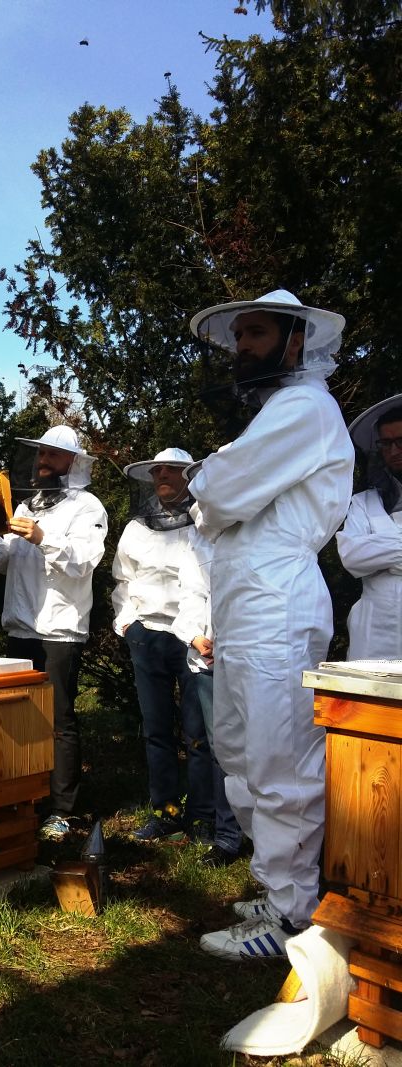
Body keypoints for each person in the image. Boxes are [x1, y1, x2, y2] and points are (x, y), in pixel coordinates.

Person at [188, 289, 354, 959]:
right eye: (240, 335)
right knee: (238, 751)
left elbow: (218, 491)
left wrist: (215, 480)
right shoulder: (276, 413)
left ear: (295, 339)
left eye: (256, 333)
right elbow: (212, 506)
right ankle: (274, 880)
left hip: (278, 601)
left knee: (279, 759)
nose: (243, 346)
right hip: (245, 602)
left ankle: (291, 917)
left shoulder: (305, 406)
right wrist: (216, 485)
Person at [0, 426, 107, 841]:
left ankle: (62, 810)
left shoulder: (87, 507)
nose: (43, 461)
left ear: (73, 462)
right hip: (22, 623)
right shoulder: (28, 504)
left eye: (53, 454)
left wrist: (45, 538)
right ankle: (27, 797)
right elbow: (5, 560)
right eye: (40, 453)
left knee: (60, 719)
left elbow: (85, 561)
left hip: (59, 627)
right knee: (21, 716)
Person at [111, 449, 215, 843]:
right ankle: (167, 812)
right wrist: (126, 623)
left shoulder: (205, 522)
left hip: (193, 639)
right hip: (148, 635)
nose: (163, 477)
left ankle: (204, 815)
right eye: (157, 472)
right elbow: (123, 581)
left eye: (171, 471)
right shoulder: (137, 528)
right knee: (156, 729)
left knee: (199, 731)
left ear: (188, 477)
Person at [171, 515, 243, 866]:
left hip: (255, 656)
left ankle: (266, 832)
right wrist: (195, 635)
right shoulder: (194, 543)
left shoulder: (258, 530)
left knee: (267, 746)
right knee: (221, 750)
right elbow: (189, 595)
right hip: (210, 661)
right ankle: (228, 835)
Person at [337, 394, 402, 660]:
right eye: (387, 444)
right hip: (374, 636)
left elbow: (365, 554)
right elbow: (352, 556)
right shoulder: (362, 503)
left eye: (401, 441)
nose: (394, 451)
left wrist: (381, 555)